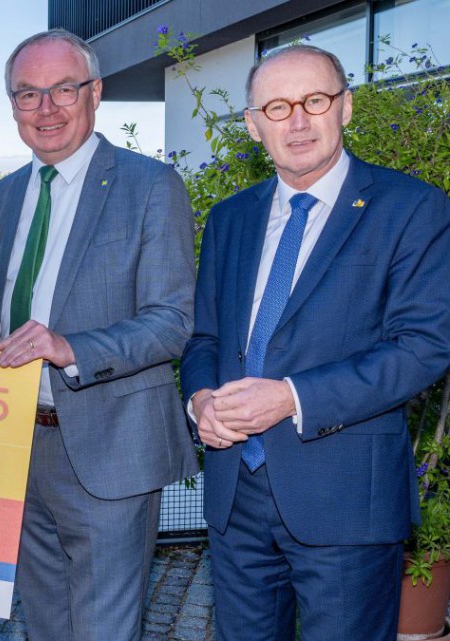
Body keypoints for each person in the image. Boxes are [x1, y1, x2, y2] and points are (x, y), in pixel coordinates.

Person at [180, 45, 450, 641]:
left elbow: (423, 346)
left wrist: (291, 397)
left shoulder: (412, 208)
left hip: (346, 500)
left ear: (345, 107)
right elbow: (205, 337)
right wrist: (200, 399)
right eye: (277, 107)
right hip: (234, 495)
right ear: (253, 125)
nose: (297, 121)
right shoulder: (230, 219)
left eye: (315, 100)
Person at [0, 29, 198, 641]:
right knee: (44, 624)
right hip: (17, 446)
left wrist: (70, 348)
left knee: (103, 629)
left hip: (109, 449)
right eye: (28, 95)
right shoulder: (2, 197)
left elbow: (173, 322)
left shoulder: (150, 186)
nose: (45, 108)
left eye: (62, 89)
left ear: (96, 92)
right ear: (13, 106)